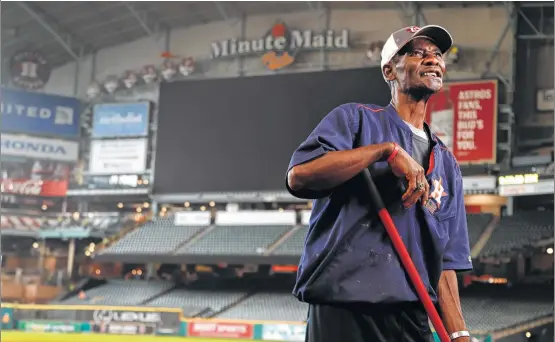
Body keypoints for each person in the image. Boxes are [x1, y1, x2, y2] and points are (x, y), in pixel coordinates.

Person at [286, 25, 472, 342]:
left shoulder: (447, 164)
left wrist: (459, 333)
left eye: (437, 54)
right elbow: (300, 176)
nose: (432, 60)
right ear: (389, 70)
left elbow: (446, 262)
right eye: (416, 52)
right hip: (344, 308)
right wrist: (385, 152)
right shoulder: (355, 121)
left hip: (411, 315)